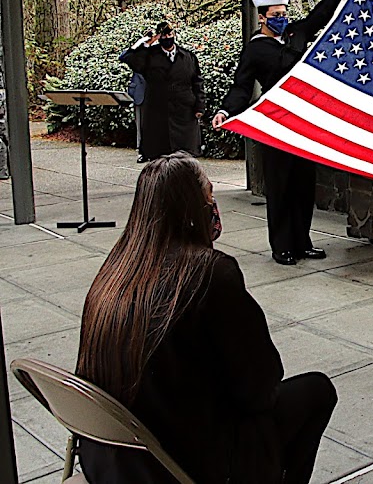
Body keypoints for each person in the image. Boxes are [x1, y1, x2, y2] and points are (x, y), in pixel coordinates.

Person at [76, 153, 337, 483]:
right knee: (317, 391)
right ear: (191, 207)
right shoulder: (210, 273)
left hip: (113, 458)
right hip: (180, 462)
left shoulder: (116, 270)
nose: (214, 207)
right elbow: (260, 388)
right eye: (209, 195)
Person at [213, 0, 363, 265]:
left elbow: (321, 15)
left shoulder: (297, 33)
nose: (282, 20)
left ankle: (302, 241)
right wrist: (225, 110)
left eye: (284, 15)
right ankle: (282, 246)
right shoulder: (255, 50)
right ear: (262, 19)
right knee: (280, 187)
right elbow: (242, 86)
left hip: (303, 123)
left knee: (303, 185)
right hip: (275, 124)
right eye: (276, 17)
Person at [120, 21, 204, 160]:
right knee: (160, 158)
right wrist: (146, 43)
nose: (167, 38)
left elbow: (197, 82)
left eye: (169, 34)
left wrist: (199, 107)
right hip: (158, 114)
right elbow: (127, 58)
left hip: (184, 114)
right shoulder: (149, 56)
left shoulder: (188, 57)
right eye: (163, 36)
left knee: (185, 157)